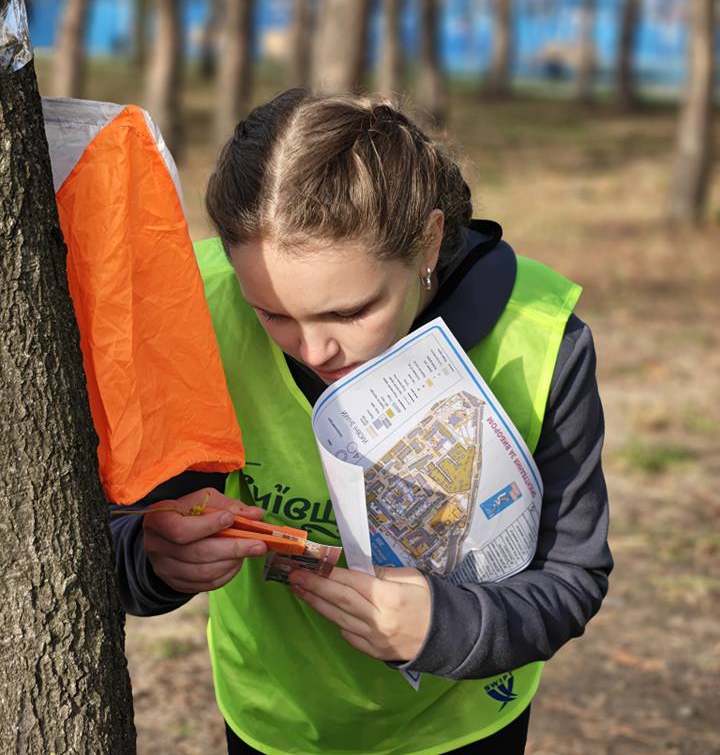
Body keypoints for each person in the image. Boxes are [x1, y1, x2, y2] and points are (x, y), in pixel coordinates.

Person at [111, 89, 612, 755]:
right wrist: (154, 558)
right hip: (274, 717)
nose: (314, 351)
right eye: (272, 314)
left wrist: (446, 630)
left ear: (429, 240)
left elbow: (572, 578)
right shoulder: (195, 308)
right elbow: (113, 531)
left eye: (349, 313)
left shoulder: (542, 340)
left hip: (460, 725)